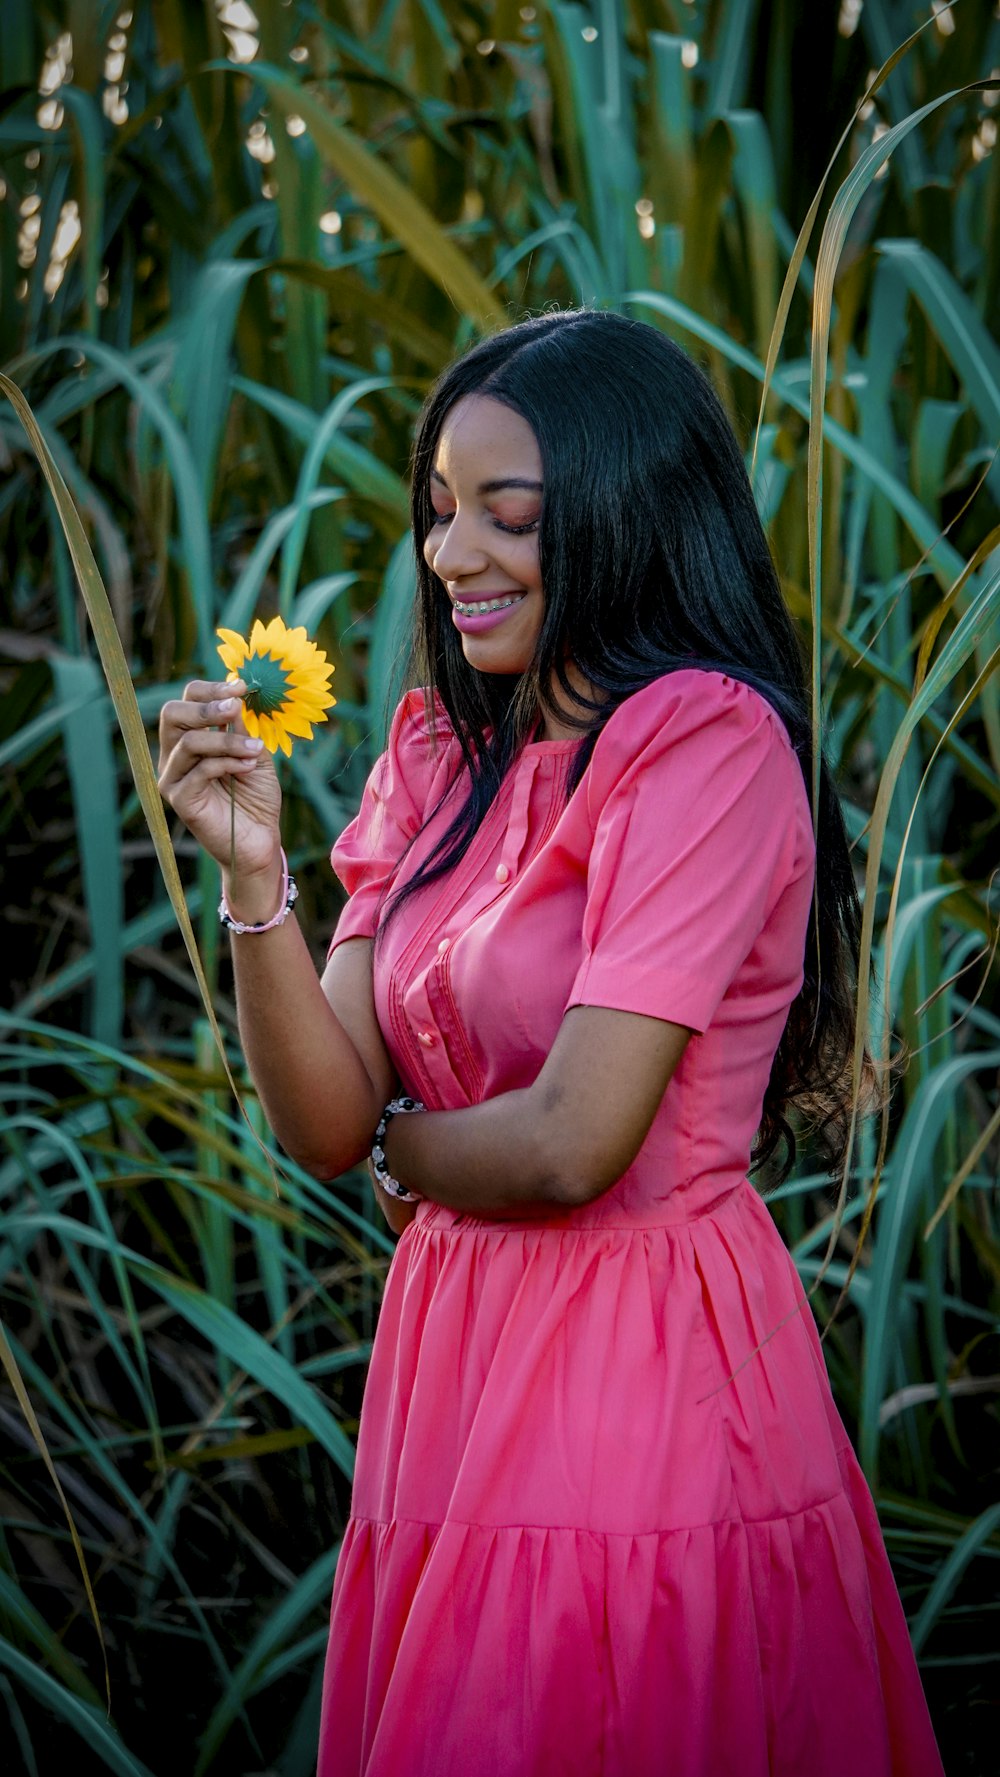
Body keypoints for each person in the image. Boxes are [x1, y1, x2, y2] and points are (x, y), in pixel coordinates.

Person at [158, 310, 943, 1777]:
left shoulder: (703, 744)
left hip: (642, 1355)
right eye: (441, 511)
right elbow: (326, 1117)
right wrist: (255, 888)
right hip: (452, 1356)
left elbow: (577, 1138)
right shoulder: (442, 755)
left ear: (629, 514)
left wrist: (408, 1148)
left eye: (507, 518)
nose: (451, 556)